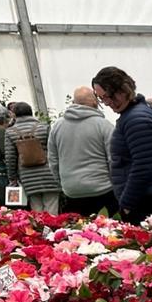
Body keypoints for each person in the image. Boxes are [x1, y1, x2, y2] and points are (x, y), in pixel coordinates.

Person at [92, 66, 152, 224]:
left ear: (122, 89)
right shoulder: (135, 114)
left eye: (108, 96)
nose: (106, 103)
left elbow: (143, 165)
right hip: (143, 197)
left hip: (143, 201)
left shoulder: (136, 119)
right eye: (102, 98)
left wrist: (127, 204)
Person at [48, 87, 117, 216]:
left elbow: (53, 161)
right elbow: (113, 159)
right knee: (107, 227)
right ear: (95, 102)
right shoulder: (104, 125)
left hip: (72, 191)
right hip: (102, 189)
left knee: (78, 228)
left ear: (74, 102)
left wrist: (62, 183)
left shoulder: (57, 127)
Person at [4, 102, 59, 214]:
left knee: (36, 211)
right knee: (52, 209)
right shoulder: (45, 127)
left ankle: (39, 225)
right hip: (49, 174)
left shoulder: (10, 132)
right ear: (31, 112)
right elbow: (55, 151)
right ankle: (52, 225)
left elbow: (10, 158)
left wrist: (12, 178)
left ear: (14, 115)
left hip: (28, 177)